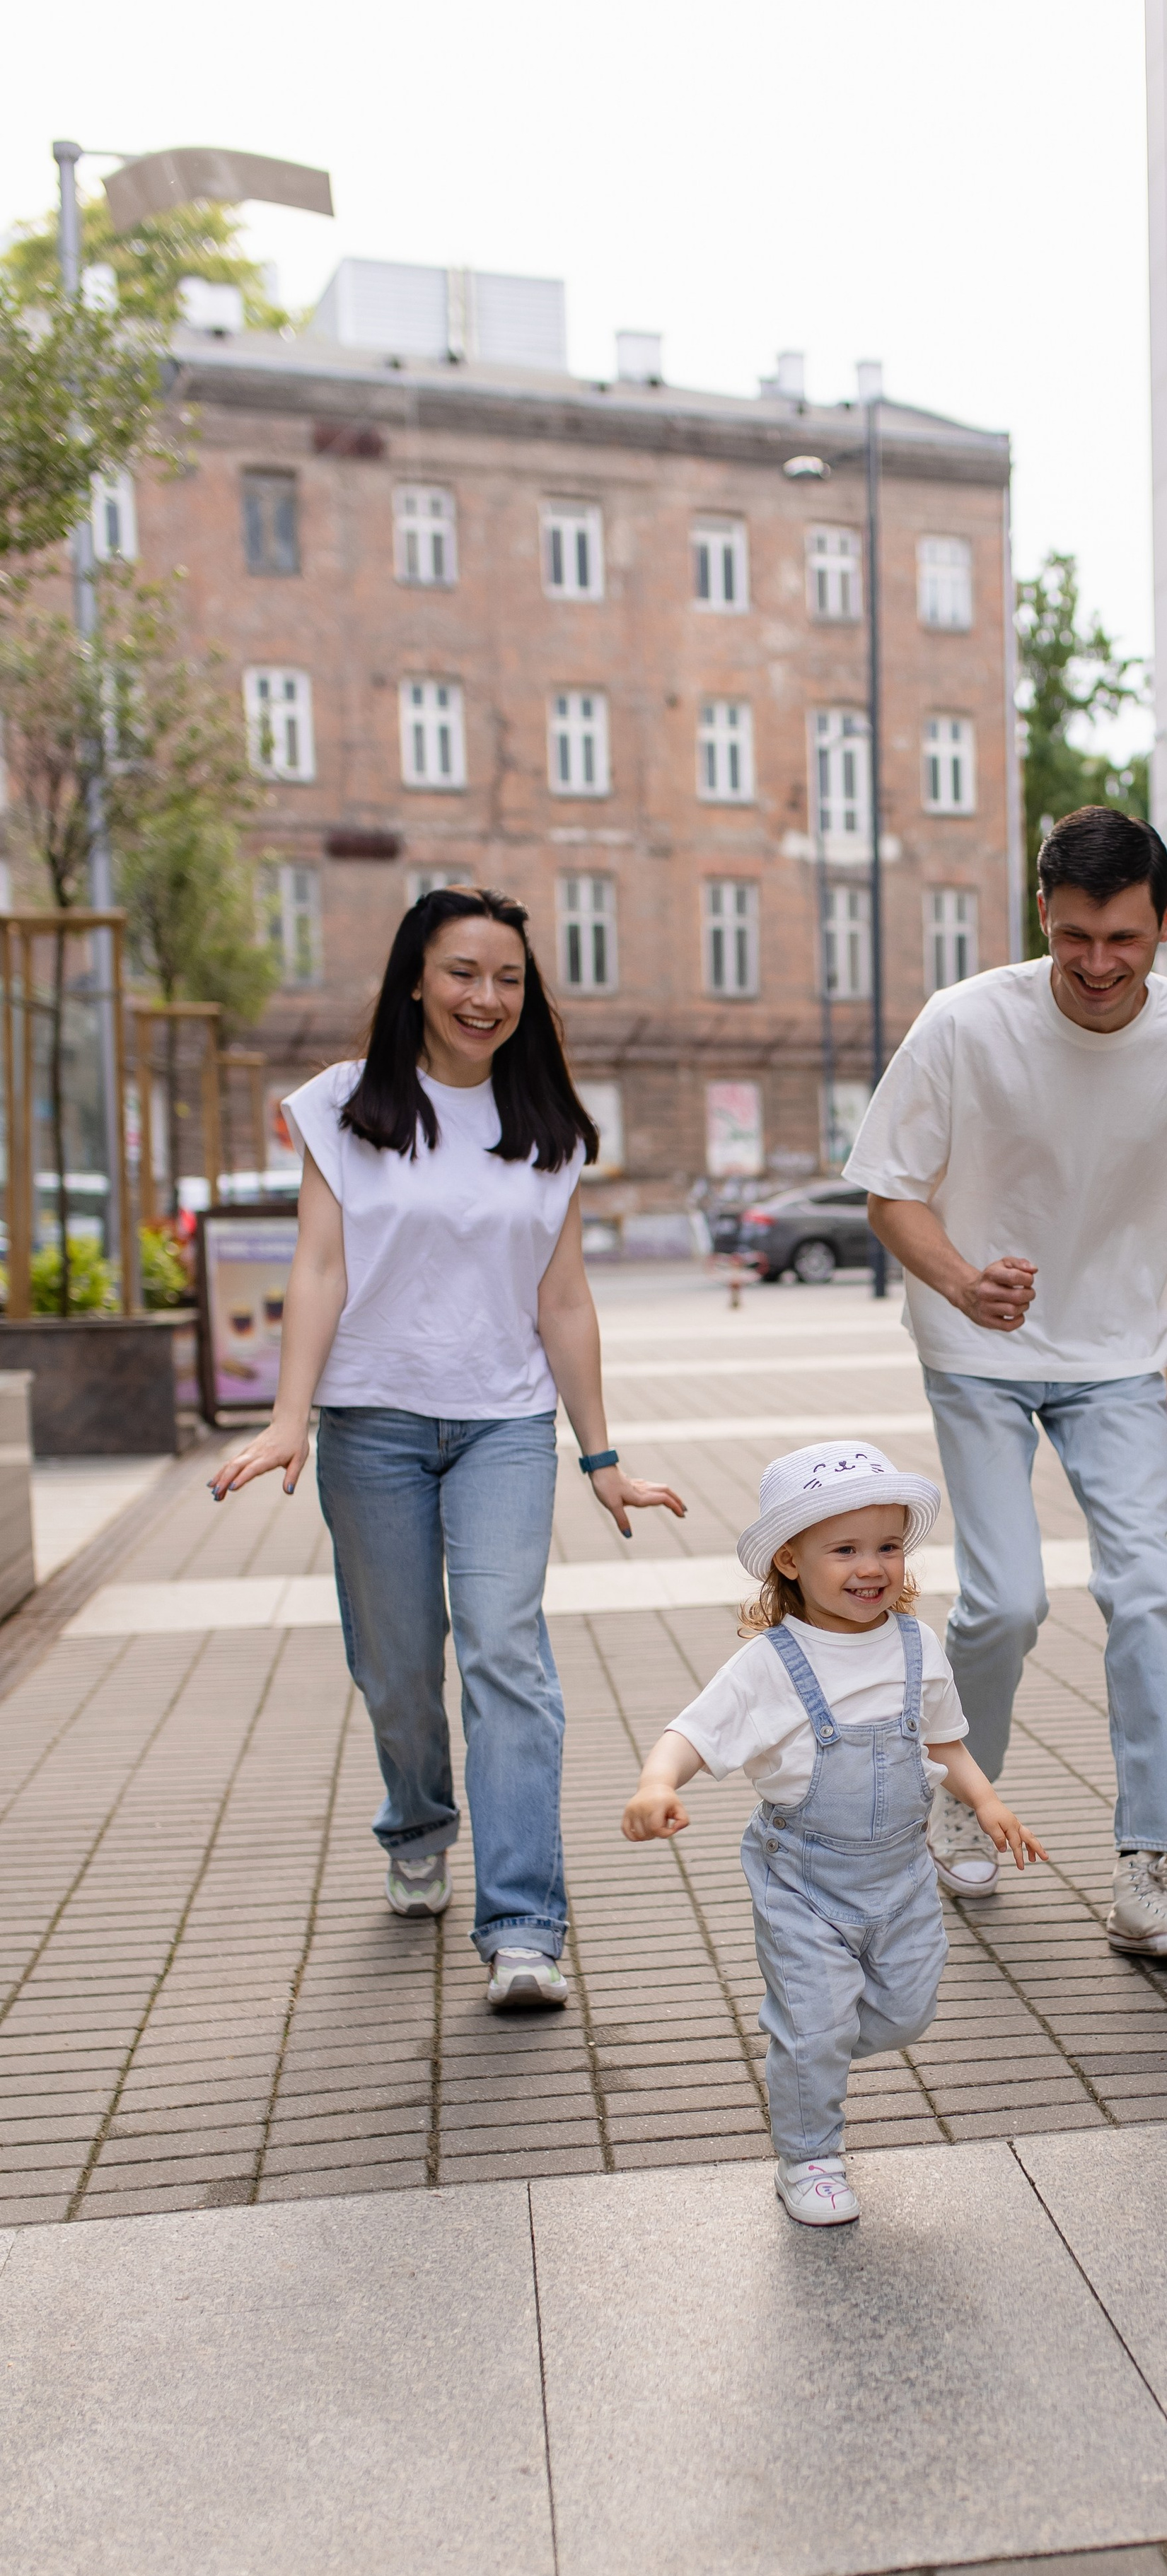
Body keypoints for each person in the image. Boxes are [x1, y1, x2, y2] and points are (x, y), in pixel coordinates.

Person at [209, 887, 685, 2009]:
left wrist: (600, 1454)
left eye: (509, 978)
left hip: (506, 1427)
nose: (487, 997)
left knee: (506, 1655)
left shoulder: (551, 1127)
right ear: (416, 979)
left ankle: (524, 1924)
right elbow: (319, 1268)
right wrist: (289, 1416)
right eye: (464, 973)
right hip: (370, 1421)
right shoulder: (341, 1106)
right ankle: (417, 1820)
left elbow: (562, 1299)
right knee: (396, 1665)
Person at [846, 808, 1167, 1954]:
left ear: (1165, 923)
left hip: (1120, 1354)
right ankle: (959, 1790)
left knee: (1148, 1587)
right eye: (1075, 934)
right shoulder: (962, 1024)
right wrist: (961, 1280)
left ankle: (1150, 1873)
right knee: (1008, 1602)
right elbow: (889, 1189)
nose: (1097, 963)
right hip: (978, 1349)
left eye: (1124, 938)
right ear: (1044, 914)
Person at [621, 1440, 1043, 2224]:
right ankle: (809, 2155)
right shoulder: (769, 1664)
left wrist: (986, 1802)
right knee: (817, 2024)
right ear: (788, 1559)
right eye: (843, 1549)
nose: (870, 1567)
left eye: (887, 1546)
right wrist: (656, 1783)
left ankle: (805, 2046)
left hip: (903, 1879)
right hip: (802, 1884)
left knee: (908, 2011)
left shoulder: (918, 1647)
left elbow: (945, 1742)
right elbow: (691, 1733)